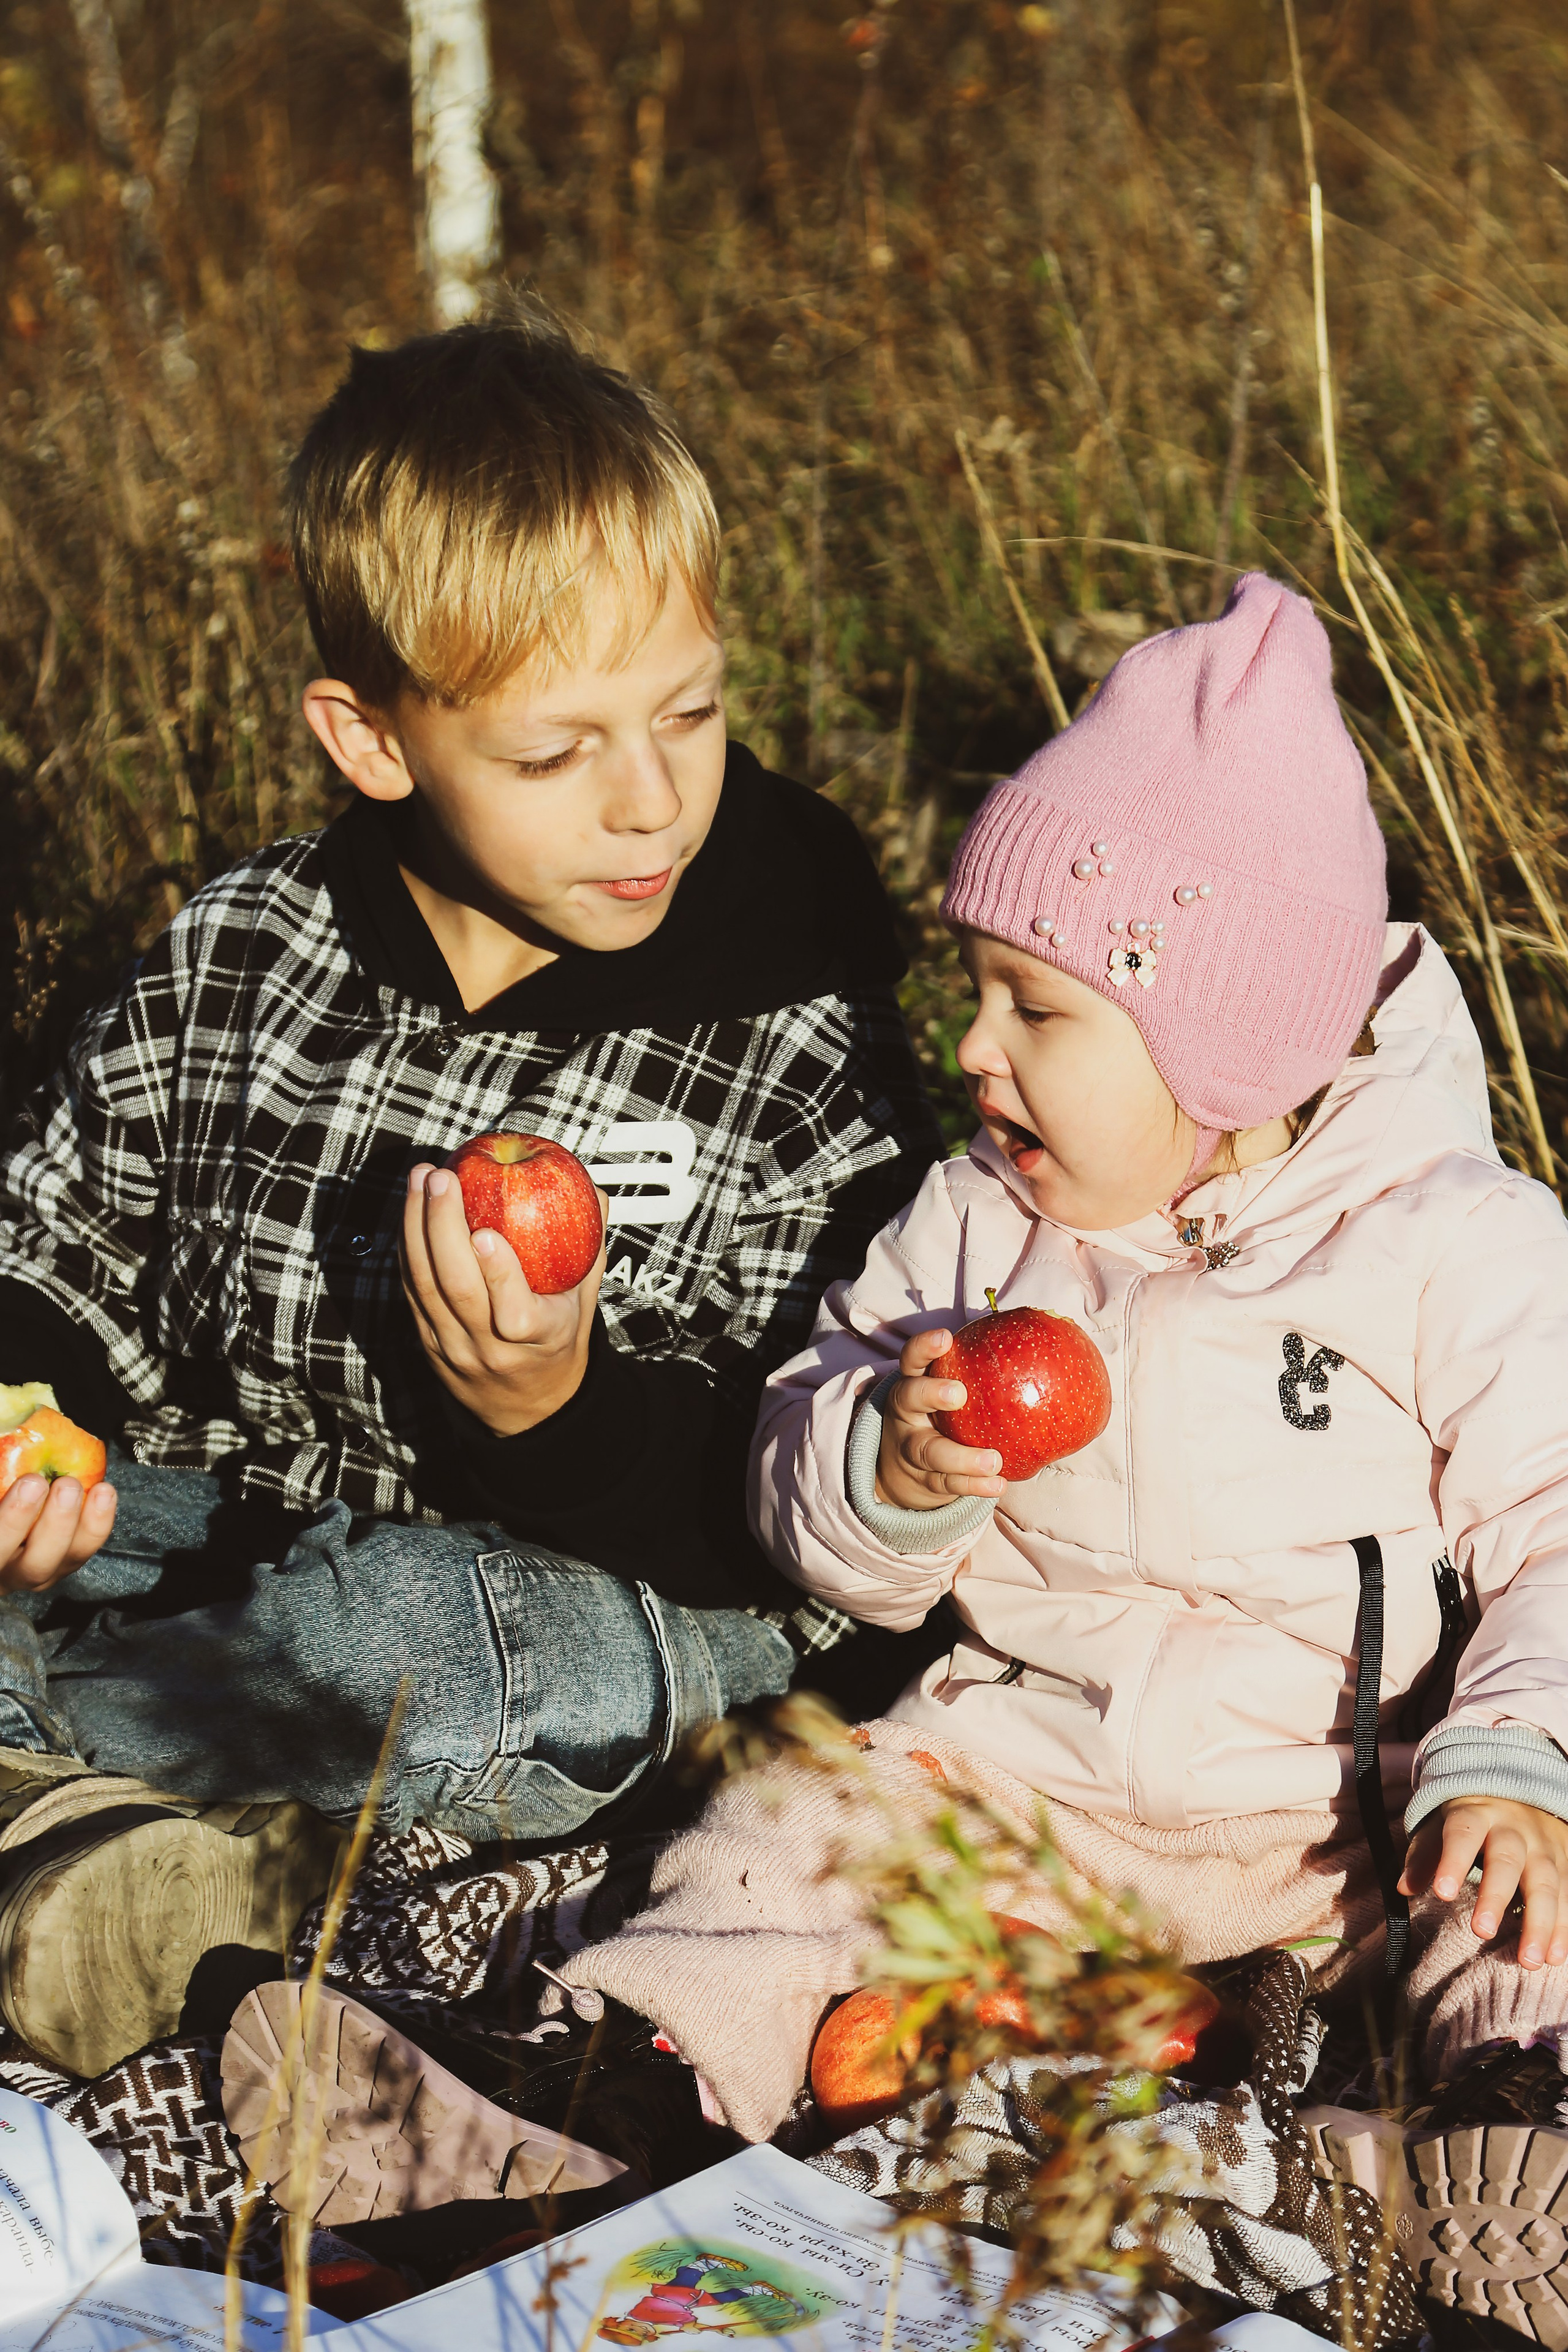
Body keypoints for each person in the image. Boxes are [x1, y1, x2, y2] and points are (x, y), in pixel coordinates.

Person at [524, 573, 1568, 2328]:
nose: (972, 1049)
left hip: (1342, 1831)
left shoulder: (1455, 1243)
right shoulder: (966, 1230)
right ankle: (635, 2080)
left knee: (1531, 1901)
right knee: (794, 1815)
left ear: (1220, 1046)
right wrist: (887, 1473)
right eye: (976, 993)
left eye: (1035, 1010)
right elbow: (809, 1508)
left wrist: (1514, 1757)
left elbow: (1558, 1523)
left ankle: (1506, 2139)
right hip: (1034, 1799)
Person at [0, 304, 941, 2076]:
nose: (649, 799)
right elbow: (65, 1231)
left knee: (413, 1634)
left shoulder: (794, 1044)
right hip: (224, 1530)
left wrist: (558, 1409)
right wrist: (23, 1402)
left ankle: (56, 1799)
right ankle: (117, 1864)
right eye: (555, 752)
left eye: (693, 712)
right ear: (373, 742)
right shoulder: (250, 952)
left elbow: (822, 1511)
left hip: (591, 1612)